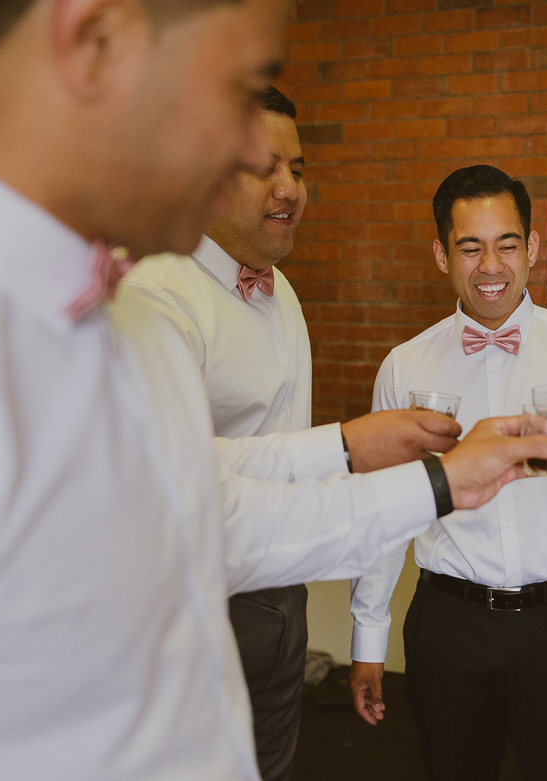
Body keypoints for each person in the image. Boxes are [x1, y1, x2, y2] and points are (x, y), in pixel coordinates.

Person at [0, 3, 547, 778]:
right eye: (238, 89)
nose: (253, 152)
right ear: (94, 39)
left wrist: (444, 479)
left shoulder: (120, 308)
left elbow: (213, 513)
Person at [116, 86, 459, 781]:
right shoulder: (157, 296)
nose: (290, 189)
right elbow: (170, 480)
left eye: (298, 168)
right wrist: (357, 450)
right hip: (194, 604)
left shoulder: (280, 290)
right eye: (264, 167)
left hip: (282, 596)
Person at [347, 166, 547, 781]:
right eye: (470, 247)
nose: (490, 265)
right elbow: (384, 512)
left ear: (533, 248)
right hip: (448, 623)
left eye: (507, 244)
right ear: (442, 255)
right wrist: (368, 640)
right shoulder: (405, 366)